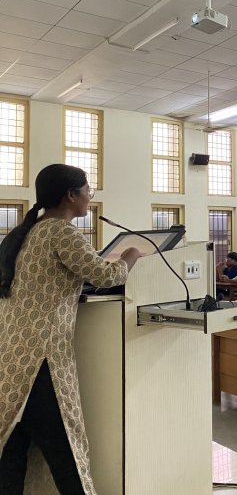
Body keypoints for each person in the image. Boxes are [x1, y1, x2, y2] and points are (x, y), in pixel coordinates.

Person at [0, 164, 141, 493]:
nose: (89, 199)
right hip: (42, 362)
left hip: (12, 358)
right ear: (71, 195)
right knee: (67, 454)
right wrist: (132, 254)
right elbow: (106, 277)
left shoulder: (29, 232)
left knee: (11, 454)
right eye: (88, 191)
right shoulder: (61, 232)